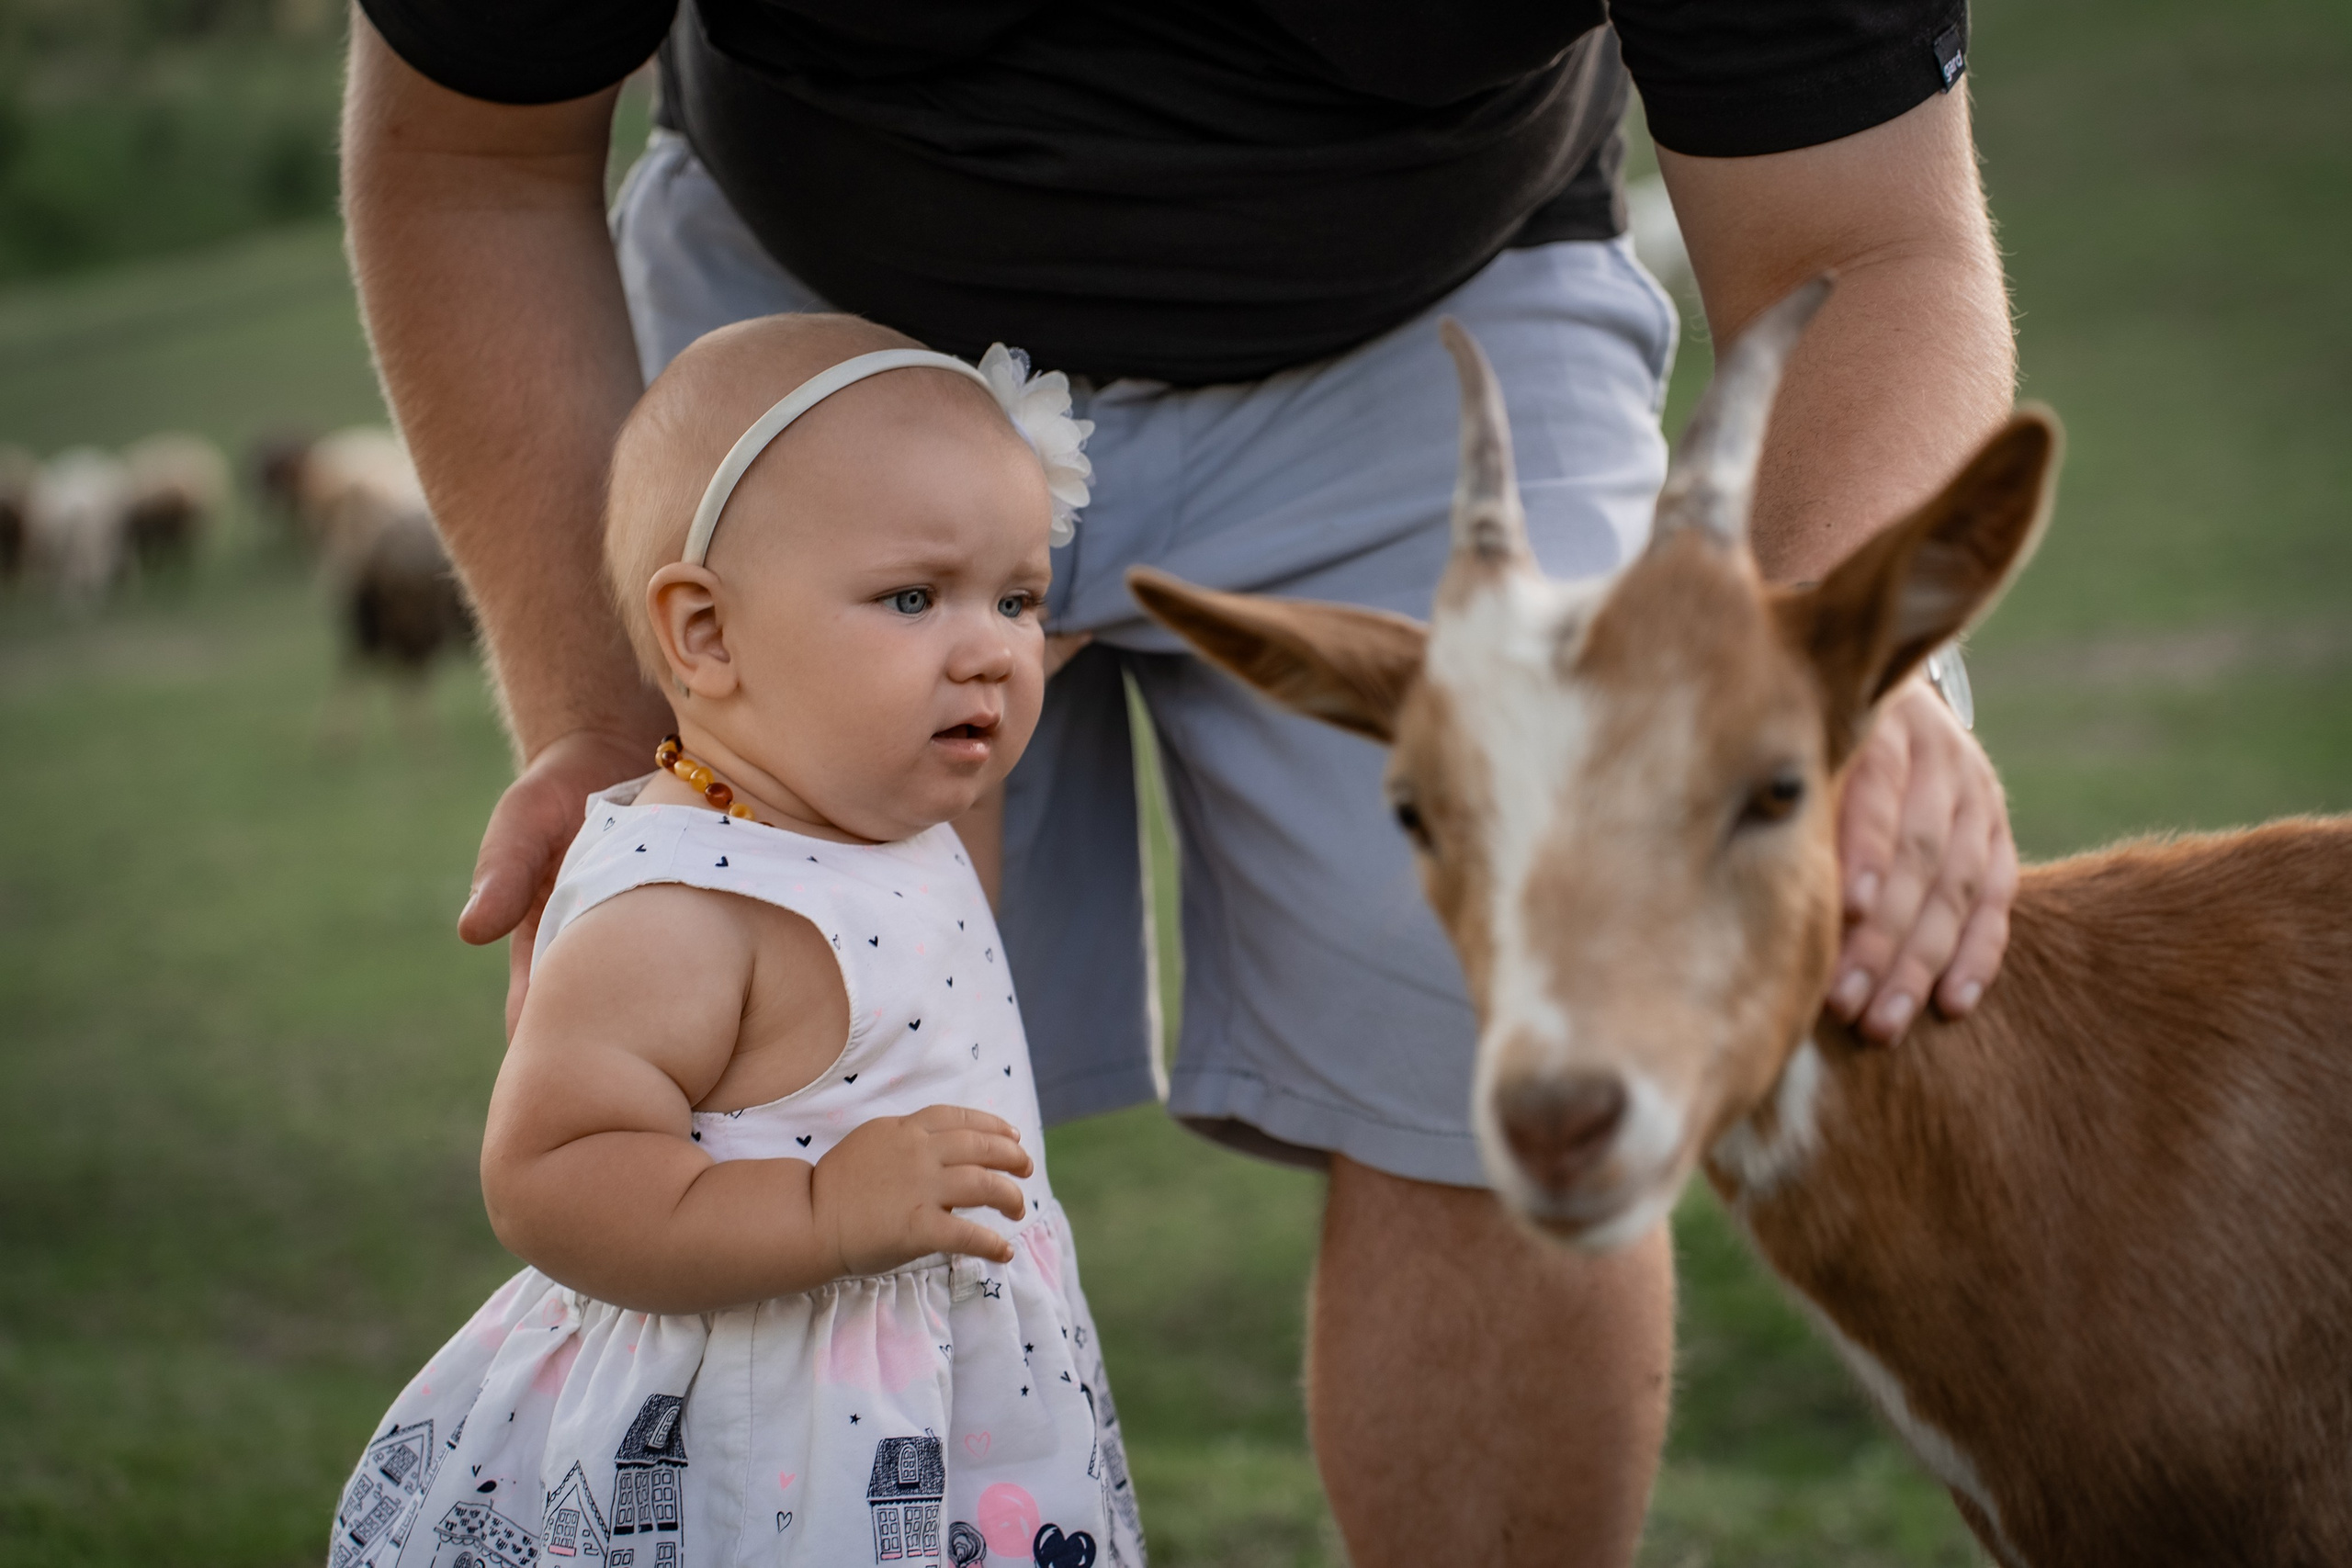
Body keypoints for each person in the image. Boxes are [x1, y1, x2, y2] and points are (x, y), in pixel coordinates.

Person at [341, 3, 2018, 1561]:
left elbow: (1866, 235)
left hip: (1436, 306)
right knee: (767, 1054)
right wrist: (594, 713)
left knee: (1501, 1016)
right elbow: (471, 155)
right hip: (815, 345)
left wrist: (1844, 674)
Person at [329, 313, 1146, 1568]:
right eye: (914, 596)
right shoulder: (691, 906)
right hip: (763, 1452)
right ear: (704, 635)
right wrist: (822, 1206)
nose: (989, 650)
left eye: (1018, 597)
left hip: (959, 1403)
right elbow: (548, 1171)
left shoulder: (873, 801)